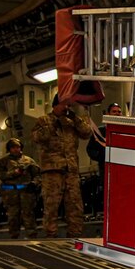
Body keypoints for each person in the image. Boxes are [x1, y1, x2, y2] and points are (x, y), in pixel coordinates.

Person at [30, 99, 97, 238]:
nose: (66, 107)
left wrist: (75, 118)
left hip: (71, 170)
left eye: (68, 105)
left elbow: (87, 133)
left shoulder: (71, 121)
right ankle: (50, 234)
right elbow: (38, 138)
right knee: (51, 205)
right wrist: (54, 122)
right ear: (55, 105)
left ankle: (75, 234)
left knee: (75, 204)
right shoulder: (44, 120)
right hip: (52, 171)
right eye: (64, 105)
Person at [0, 138, 38, 238]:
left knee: (28, 213)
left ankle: (32, 234)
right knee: (13, 215)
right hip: (11, 193)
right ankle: (14, 235)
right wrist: (13, 173)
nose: (16, 149)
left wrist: (34, 183)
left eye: (17, 147)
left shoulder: (29, 161)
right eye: (13, 147)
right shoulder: (3, 161)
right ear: (9, 149)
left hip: (26, 191)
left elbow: (37, 174)